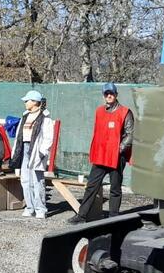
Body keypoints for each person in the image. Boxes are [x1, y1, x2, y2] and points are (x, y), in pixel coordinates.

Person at [67, 83, 134, 224]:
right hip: (101, 155)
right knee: (91, 186)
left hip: (117, 157)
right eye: (106, 93)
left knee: (115, 188)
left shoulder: (125, 112)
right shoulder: (99, 111)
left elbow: (130, 134)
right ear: (104, 95)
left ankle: (113, 218)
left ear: (116, 94)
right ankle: (81, 216)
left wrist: (119, 149)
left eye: (111, 93)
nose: (109, 95)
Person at [9, 90, 54, 219]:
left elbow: (48, 137)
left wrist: (42, 152)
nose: (25, 103)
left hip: (36, 150)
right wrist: (15, 151)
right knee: (25, 180)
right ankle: (29, 207)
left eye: (27, 100)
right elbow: (19, 135)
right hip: (24, 149)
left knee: (37, 180)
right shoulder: (25, 116)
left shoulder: (45, 117)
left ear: (34, 102)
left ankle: (40, 209)